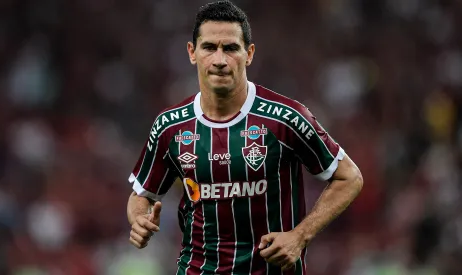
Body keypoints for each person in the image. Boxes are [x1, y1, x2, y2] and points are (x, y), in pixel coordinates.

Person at [126, 1, 363, 274]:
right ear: (192, 53)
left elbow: (349, 177)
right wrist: (139, 220)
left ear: (249, 53)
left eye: (230, 48)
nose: (219, 60)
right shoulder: (171, 126)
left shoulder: (285, 118)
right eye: (209, 48)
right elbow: (141, 195)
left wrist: (300, 235)